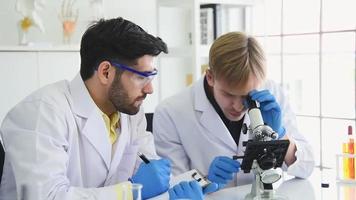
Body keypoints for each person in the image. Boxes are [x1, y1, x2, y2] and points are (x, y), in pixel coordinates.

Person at [0, 17, 172, 200]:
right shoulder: (41, 113)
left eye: (151, 76)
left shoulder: (130, 113)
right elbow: (48, 196)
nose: (150, 89)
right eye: (141, 77)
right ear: (106, 72)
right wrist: (130, 191)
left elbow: (149, 174)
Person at [153, 32, 315, 191]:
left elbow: (306, 167)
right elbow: (172, 188)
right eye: (229, 94)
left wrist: (280, 134)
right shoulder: (170, 112)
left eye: (247, 96)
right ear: (210, 77)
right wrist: (206, 180)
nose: (238, 106)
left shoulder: (272, 94)